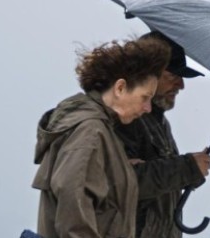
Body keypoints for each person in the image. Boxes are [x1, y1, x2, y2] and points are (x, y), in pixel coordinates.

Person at [31, 37, 171, 238]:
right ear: (120, 88)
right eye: (145, 97)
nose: (148, 108)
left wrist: (117, 170)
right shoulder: (90, 132)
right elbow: (74, 209)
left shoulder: (99, 131)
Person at [115, 32, 210, 238]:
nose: (181, 85)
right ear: (148, 75)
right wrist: (186, 168)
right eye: (174, 76)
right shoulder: (125, 117)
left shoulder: (159, 123)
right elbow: (123, 183)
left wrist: (189, 174)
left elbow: (156, 179)